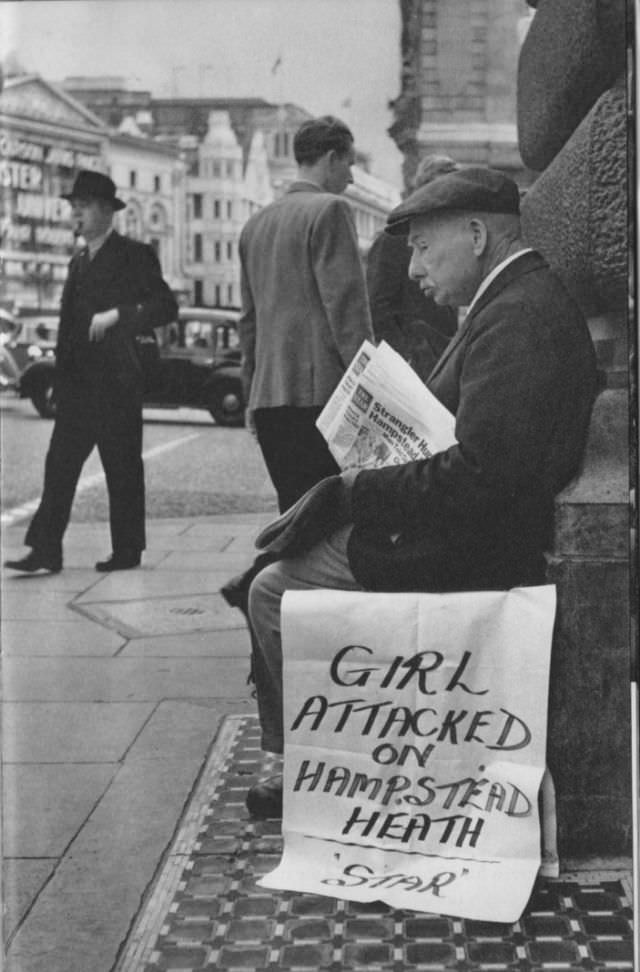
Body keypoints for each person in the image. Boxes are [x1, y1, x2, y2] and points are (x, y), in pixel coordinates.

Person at [242, 166, 598, 818]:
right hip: (479, 532)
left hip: (478, 552)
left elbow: (480, 476)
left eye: (424, 247)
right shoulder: (516, 301)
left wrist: (362, 487)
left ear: (476, 235)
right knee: (282, 554)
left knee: (271, 586)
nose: (412, 269)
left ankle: (341, 772)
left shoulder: (514, 318)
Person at [221, 115, 374, 612]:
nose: (350, 177)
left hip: (270, 398)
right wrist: (371, 388)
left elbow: (248, 324)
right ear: (330, 158)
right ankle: (264, 585)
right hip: (322, 396)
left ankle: (268, 599)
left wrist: (250, 395)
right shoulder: (329, 211)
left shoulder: (255, 224)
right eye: (348, 163)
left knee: (297, 513)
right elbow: (346, 311)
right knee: (329, 521)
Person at [4, 170, 178, 574]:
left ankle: (127, 550)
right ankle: (46, 549)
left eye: (81, 208)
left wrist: (121, 314)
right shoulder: (77, 262)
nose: (74, 216)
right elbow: (68, 332)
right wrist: (60, 383)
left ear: (104, 211)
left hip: (118, 384)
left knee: (122, 469)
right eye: (73, 209)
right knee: (59, 468)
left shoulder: (134, 255)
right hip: (79, 389)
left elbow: (165, 306)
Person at [365, 154, 459, 381]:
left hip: (441, 359)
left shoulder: (446, 235)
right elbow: (377, 306)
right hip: (412, 365)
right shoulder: (392, 239)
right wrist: (404, 357)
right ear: (424, 191)